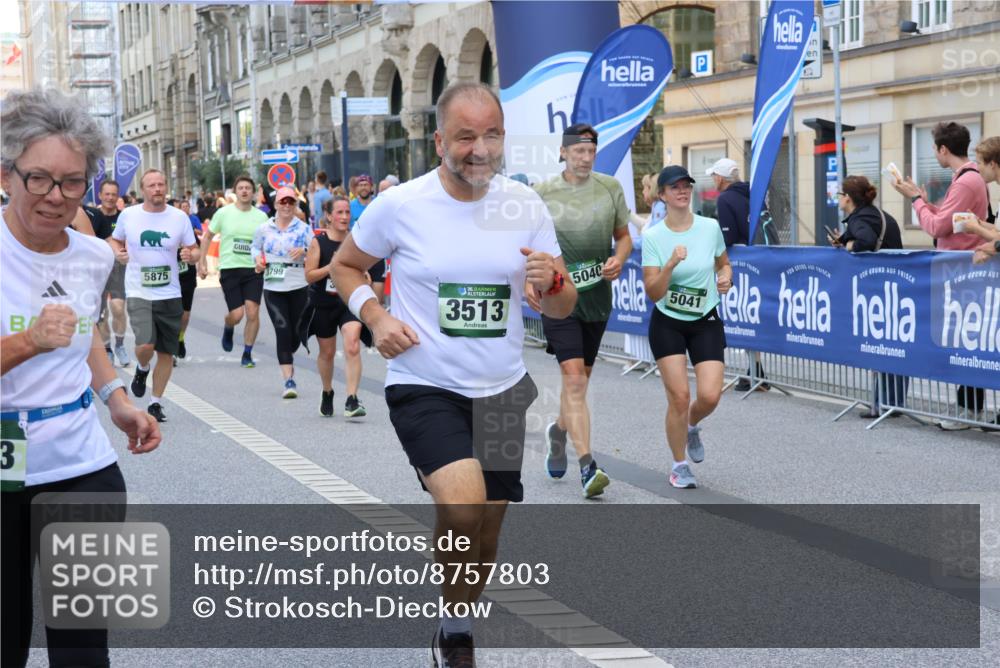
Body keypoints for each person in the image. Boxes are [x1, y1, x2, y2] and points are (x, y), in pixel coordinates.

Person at [331, 82, 576, 667]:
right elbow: (344, 266)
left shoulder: (525, 205)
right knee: (464, 507)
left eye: (491, 134)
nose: (480, 149)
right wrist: (375, 314)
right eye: (466, 136)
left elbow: (562, 306)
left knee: (487, 528)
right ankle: (457, 632)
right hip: (424, 382)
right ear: (440, 139)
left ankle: (455, 622)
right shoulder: (402, 205)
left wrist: (557, 283)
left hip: (501, 391)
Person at [1, 87, 161, 668]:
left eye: (72, 182)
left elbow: (85, 331)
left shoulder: (92, 255)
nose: (56, 197)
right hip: (3, 464)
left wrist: (115, 397)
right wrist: (25, 342)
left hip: (79, 463)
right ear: (6, 175)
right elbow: (46, 334)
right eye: (39, 179)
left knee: (82, 645)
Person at [533, 122, 631, 498]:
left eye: (591, 151)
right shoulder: (542, 193)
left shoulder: (610, 188)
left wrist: (618, 259)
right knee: (573, 378)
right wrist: (530, 280)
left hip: (596, 298)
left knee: (580, 379)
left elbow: (623, 237)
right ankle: (588, 465)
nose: (586, 158)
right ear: (563, 152)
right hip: (557, 297)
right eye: (578, 151)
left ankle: (559, 432)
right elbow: (524, 243)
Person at [892, 121, 989, 430]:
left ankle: (967, 410)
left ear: (944, 150)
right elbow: (948, 220)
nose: (934, 154)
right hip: (963, 267)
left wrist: (915, 200)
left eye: (935, 149)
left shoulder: (964, 182)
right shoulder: (964, 179)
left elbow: (936, 227)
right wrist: (925, 201)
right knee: (966, 339)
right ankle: (966, 406)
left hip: (962, 271)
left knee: (967, 340)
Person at [642, 165, 732, 490]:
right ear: (662, 195)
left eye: (686, 185)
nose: (682, 190)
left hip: (705, 318)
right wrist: (669, 265)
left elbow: (723, 262)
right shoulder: (653, 236)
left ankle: (692, 424)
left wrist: (726, 277)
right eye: (675, 186)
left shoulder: (709, 228)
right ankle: (679, 465)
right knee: (679, 396)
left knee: (709, 396)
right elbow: (653, 292)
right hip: (668, 322)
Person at [110, 169, 199, 422]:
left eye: (161, 184)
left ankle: (156, 402)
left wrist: (191, 256)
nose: (157, 189)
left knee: (166, 352)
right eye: (152, 185)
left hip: (170, 291)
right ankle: (142, 367)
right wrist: (119, 253)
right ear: (143, 189)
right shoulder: (129, 215)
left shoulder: (179, 217)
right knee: (145, 344)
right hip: (139, 290)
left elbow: (195, 250)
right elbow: (114, 242)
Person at [829, 175, 907, 418]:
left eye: (840, 194)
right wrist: (843, 239)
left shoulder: (861, 218)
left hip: (881, 289)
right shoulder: (875, 214)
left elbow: (866, 240)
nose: (838, 198)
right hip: (896, 286)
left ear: (848, 198)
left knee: (882, 344)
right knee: (894, 345)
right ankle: (890, 402)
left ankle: (882, 404)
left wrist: (849, 245)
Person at [300, 196, 369, 417]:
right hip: (323, 304)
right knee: (327, 353)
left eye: (347, 212)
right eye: (339, 212)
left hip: (348, 302)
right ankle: (328, 391)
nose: (344, 217)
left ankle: (352, 399)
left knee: (352, 343)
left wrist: (364, 276)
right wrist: (332, 268)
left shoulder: (355, 241)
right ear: (328, 216)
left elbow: (363, 271)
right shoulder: (318, 242)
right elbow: (309, 276)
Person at [705, 157, 769, 393]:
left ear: (720, 178)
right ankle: (756, 370)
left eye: (713, 176)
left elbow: (728, 237)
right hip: (763, 259)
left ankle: (755, 372)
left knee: (743, 316)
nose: (713, 180)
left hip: (742, 266)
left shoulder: (726, 198)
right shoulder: (754, 192)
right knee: (755, 316)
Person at [197, 175, 269, 367]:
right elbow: (207, 237)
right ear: (235, 192)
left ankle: (247, 353)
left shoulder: (261, 217)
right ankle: (228, 326)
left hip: (253, 270)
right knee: (237, 315)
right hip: (230, 268)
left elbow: (268, 243)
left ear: (253, 192)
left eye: (248, 188)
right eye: (241, 188)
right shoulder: (224, 213)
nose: (244, 191)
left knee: (253, 313)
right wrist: (202, 262)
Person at [253, 186, 313, 398]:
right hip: (273, 286)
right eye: (283, 202)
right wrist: (258, 262)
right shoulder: (264, 228)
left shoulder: (304, 228)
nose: (287, 206)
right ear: (276, 205)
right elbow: (255, 248)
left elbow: (316, 252)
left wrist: (305, 252)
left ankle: (289, 350)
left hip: (298, 285)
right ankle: (289, 380)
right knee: (282, 328)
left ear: (296, 205)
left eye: (291, 202)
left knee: (296, 333)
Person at [87, 179, 131, 368]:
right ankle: (107, 349)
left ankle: (120, 345)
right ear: (100, 195)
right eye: (107, 194)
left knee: (118, 308)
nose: (110, 198)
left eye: (114, 194)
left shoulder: (124, 217)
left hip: (118, 269)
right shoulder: (91, 216)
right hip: (96, 271)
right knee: (102, 315)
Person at [176, 199, 203, 361]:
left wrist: (192, 257)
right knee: (172, 312)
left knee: (184, 314)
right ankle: (170, 346)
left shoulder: (187, 229)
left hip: (187, 275)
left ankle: (180, 338)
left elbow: (197, 250)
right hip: (169, 277)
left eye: (186, 207)